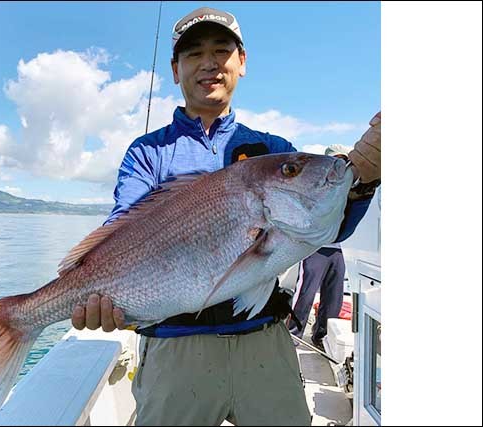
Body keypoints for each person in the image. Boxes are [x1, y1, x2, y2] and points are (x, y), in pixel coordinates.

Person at [71, 6, 381, 426]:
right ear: (175, 70)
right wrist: (94, 294)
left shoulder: (273, 148)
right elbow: (122, 229)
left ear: (242, 62)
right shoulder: (148, 153)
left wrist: (362, 180)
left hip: (265, 347)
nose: (209, 62)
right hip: (175, 352)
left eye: (222, 50)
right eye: (194, 54)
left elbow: (325, 229)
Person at [287, 145, 352, 350]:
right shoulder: (313, 185)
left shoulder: (348, 185)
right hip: (315, 248)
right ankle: (292, 336)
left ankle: (322, 336)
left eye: (343, 161)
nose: (338, 166)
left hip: (340, 250)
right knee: (305, 293)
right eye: (334, 161)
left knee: (335, 296)